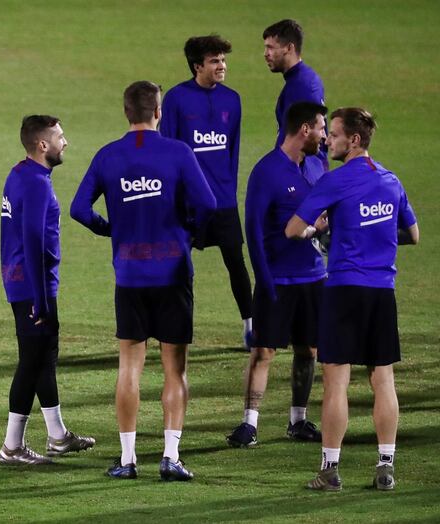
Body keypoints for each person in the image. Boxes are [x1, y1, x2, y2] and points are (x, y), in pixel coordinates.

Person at [71, 81, 216, 481]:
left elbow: (79, 209)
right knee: (175, 369)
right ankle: (170, 455)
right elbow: (208, 205)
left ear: (125, 112)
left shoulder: (108, 156)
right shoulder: (178, 153)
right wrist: (188, 232)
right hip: (173, 272)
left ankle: (128, 459)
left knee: (129, 368)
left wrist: (109, 230)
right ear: (158, 113)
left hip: (130, 275)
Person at [285, 108, 419, 491]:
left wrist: (321, 230)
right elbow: (413, 234)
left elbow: (293, 228)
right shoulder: (391, 181)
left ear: (354, 141)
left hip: (343, 290)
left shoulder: (335, 180)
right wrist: (378, 238)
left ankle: (330, 470)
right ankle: (385, 466)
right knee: (383, 379)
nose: (329, 140)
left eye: (337, 135)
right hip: (382, 291)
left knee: (336, 383)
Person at [226, 102, 328, 448]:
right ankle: (249, 424)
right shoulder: (267, 171)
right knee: (264, 351)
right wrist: (264, 279)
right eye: (321, 129)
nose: (324, 136)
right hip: (278, 280)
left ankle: (298, 421)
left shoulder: (317, 165)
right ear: (304, 130)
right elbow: (252, 230)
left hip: (314, 278)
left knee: (309, 350)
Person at [0, 115, 95, 465]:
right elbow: (34, 240)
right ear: (43, 145)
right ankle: (12, 447)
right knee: (31, 361)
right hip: (31, 286)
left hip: (23, 280)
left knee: (44, 357)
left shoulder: (19, 172)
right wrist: (40, 300)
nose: (65, 142)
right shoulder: (38, 183)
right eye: (59, 137)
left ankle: (57, 436)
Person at [160, 35, 253, 348]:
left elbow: (233, 151)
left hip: (223, 200)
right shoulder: (175, 99)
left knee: (236, 262)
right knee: (178, 267)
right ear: (197, 65)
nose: (222, 66)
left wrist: (228, 189)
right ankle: (176, 330)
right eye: (215, 61)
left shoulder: (233, 100)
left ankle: (250, 325)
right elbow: (168, 150)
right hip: (187, 202)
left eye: (223, 60)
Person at [263, 19, 327, 157]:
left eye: (271, 47)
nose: (266, 54)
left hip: (302, 172)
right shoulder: (302, 79)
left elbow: (308, 140)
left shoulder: (302, 86)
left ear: (289, 48)